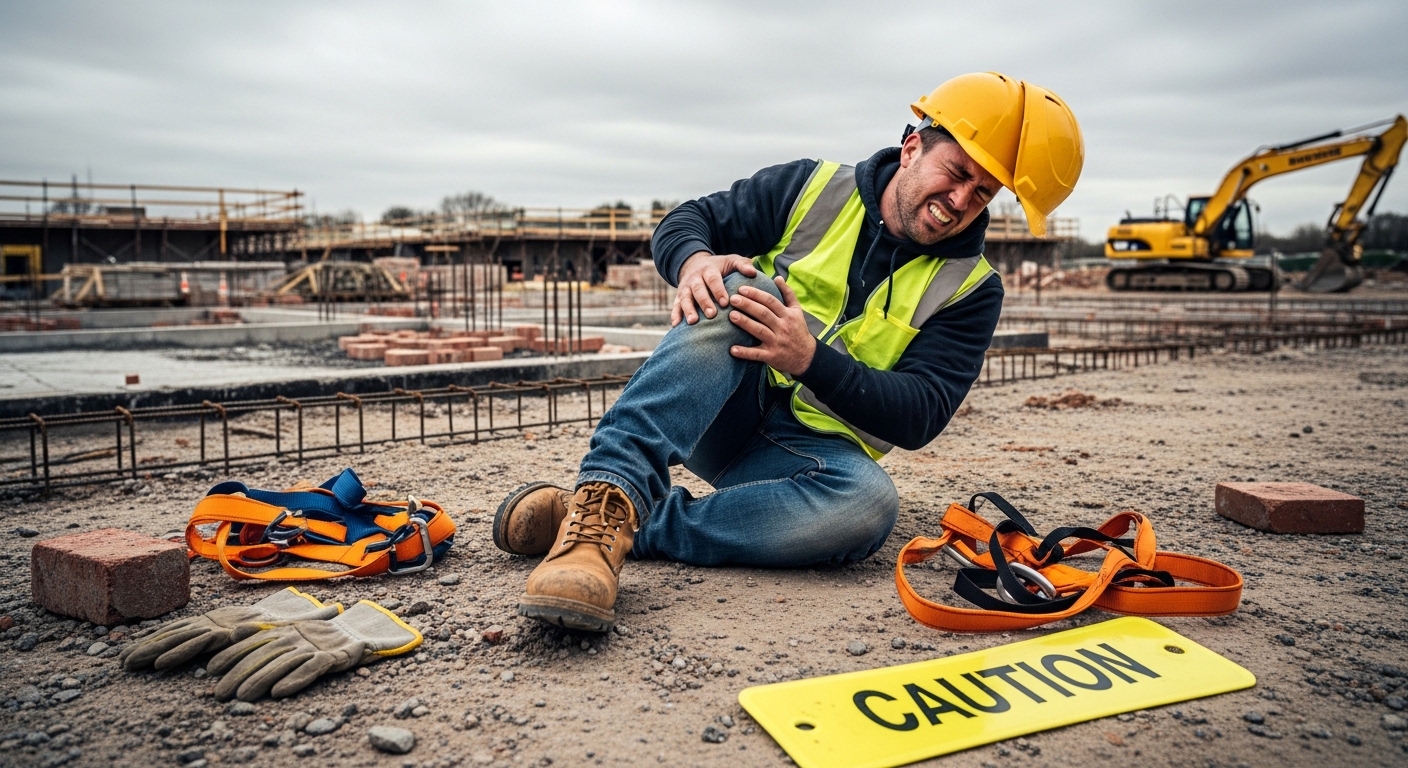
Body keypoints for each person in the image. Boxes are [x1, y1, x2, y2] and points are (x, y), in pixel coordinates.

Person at [493, 72, 1084, 632]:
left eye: (981, 194)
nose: (958, 200)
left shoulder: (972, 287)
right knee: (738, 292)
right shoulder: (812, 189)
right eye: (954, 173)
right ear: (911, 148)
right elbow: (688, 220)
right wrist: (695, 261)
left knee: (867, 507)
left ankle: (632, 523)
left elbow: (922, 412)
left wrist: (808, 359)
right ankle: (603, 505)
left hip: (802, 457)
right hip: (713, 411)